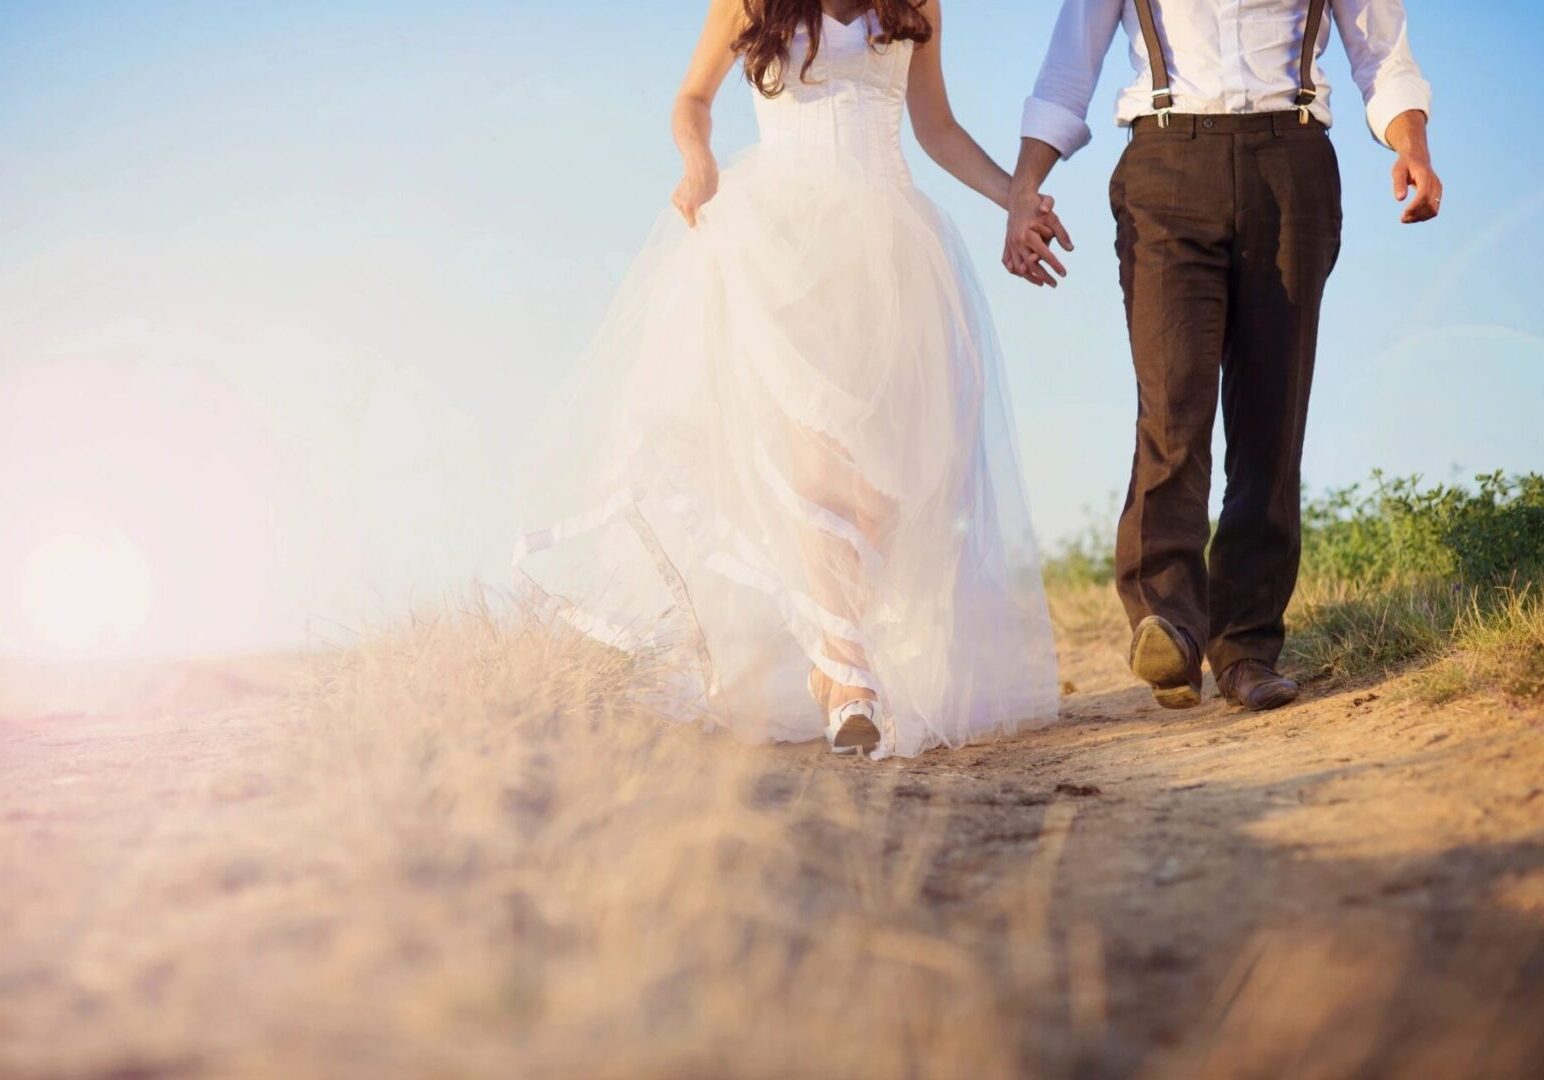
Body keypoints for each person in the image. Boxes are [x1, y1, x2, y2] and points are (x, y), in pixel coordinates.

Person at [510, 1, 1064, 759]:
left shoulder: (916, 2)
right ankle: (849, 678)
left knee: (886, 486)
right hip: (780, 245)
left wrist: (1015, 197)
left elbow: (934, 127)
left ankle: (835, 658)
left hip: (891, 255)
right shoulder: (750, 2)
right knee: (813, 464)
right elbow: (691, 97)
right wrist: (699, 161)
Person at [1004, 0, 1440, 711]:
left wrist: (1410, 146)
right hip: (1166, 168)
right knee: (1174, 402)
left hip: (1291, 165)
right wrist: (1024, 189)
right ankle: (1168, 624)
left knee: (1271, 414)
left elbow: (1381, 52)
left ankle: (1244, 647)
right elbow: (1067, 69)